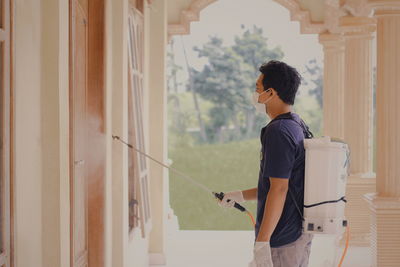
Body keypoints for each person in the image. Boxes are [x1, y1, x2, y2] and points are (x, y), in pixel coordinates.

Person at [219, 60, 313, 267]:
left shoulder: (278, 132)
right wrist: (239, 195)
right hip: (295, 233)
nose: (255, 95)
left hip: (281, 239)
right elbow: (278, 184)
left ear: (271, 92)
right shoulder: (297, 125)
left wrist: (263, 242)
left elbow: (279, 189)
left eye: (257, 89)